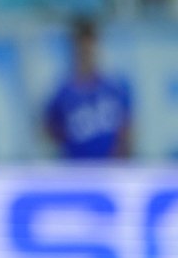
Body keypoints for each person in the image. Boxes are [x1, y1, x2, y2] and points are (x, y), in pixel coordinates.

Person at [43, 18, 130, 160]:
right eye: (82, 49)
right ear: (75, 49)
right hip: (78, 173)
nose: (86, 53)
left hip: (110, 171)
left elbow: (126, 131)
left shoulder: (115, 89)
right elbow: (50, 131)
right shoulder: (62, 94)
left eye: (90, 47)